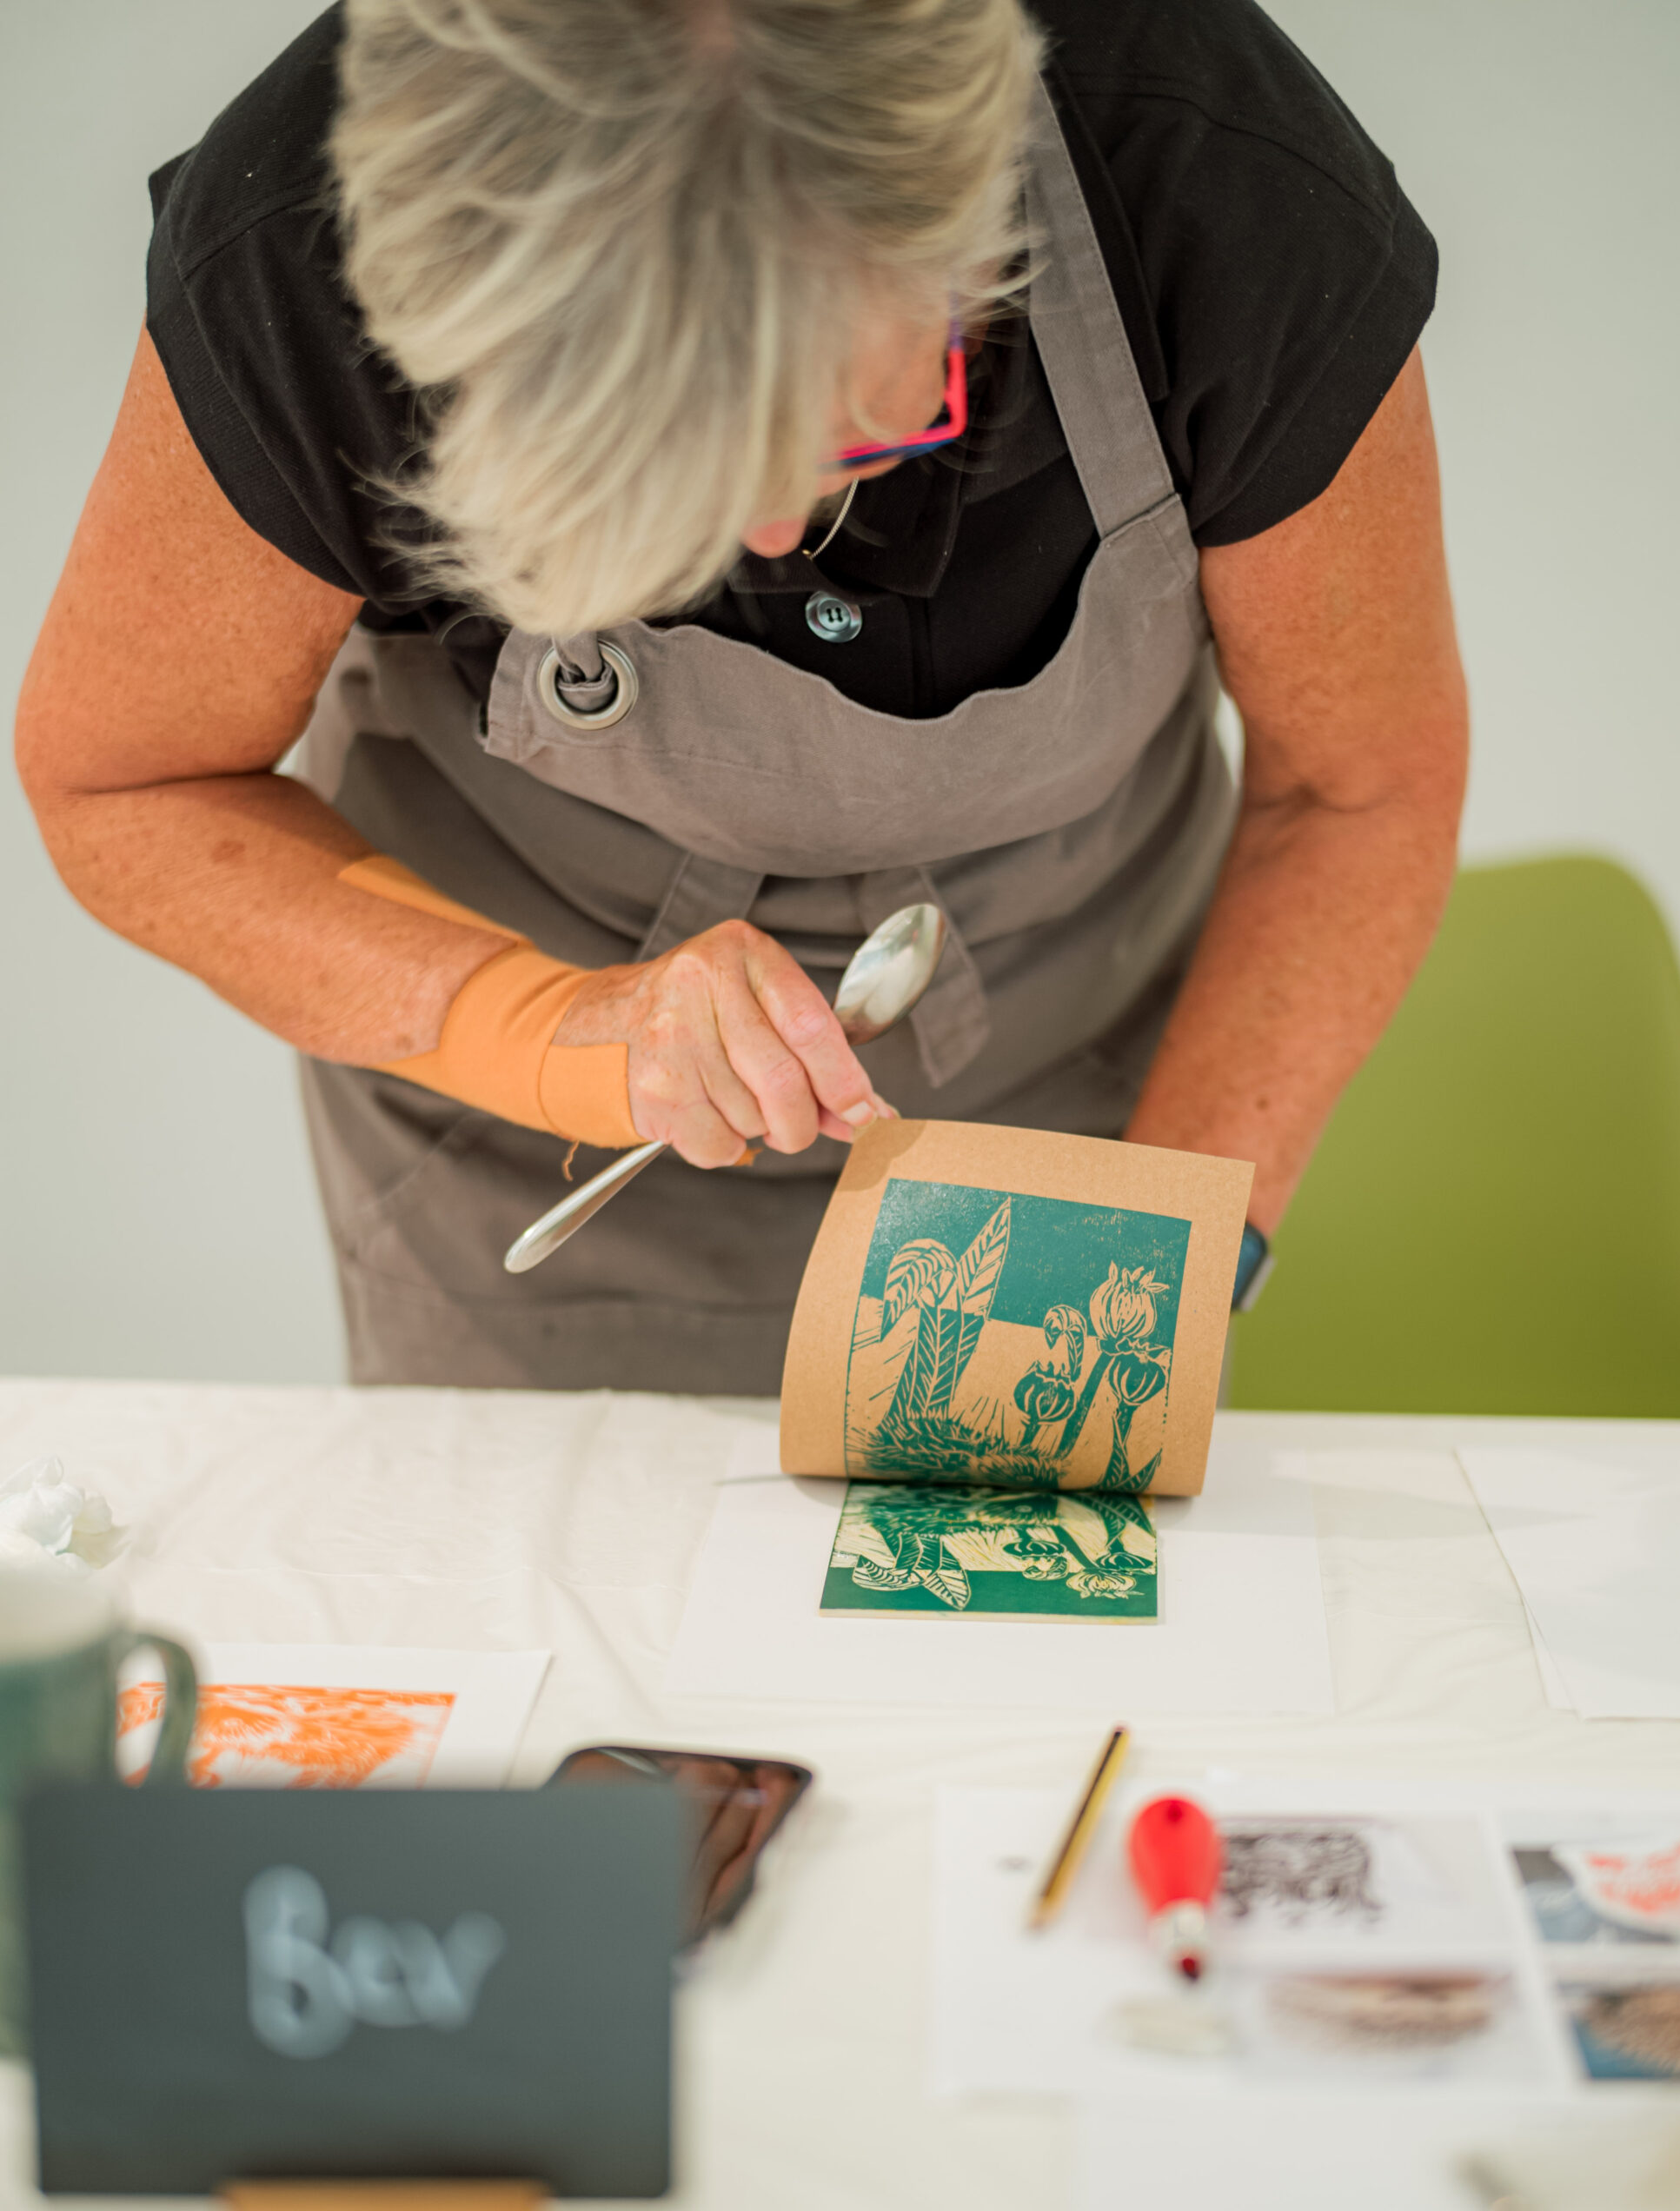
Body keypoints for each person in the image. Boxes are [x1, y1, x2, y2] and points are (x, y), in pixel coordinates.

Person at [16, 0, 1467, 1392]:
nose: (775, 537)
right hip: (538, 1177)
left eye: (870, 424)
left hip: (1077, 1106)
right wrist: (552, 1031)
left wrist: (1143, 1272)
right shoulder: (295, 248)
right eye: (662, 480)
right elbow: (126, 782)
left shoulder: (1214, 173)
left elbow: (1355, 786)